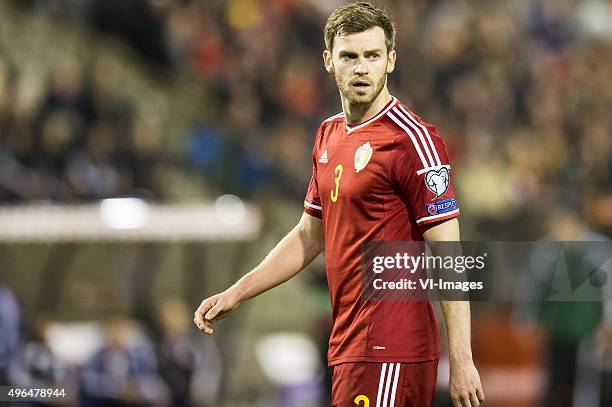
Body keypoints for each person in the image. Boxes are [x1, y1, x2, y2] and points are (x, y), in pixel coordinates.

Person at [194, 3, 484, 406]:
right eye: (350, 56)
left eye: (372, 56)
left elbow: (449, 254)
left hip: (392, 347)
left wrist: (463, 360)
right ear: (329, 61)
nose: (361, 68)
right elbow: (307, 236)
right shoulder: (328, 135)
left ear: (391, 61)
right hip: (348, 343)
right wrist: (236, 293)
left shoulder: (413, 141)